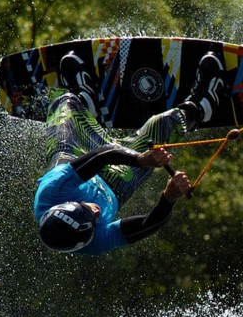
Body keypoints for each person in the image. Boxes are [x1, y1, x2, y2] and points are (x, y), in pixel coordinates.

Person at [33, 50, 225, 255]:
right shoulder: (93, 242)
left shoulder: (52, 191)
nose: (96, 211)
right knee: (160, 124)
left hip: (74, 157)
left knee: (63, 106)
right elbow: (148, 224)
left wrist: (140, 159)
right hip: (116, 184)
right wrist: (169, 197)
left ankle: (84, 98)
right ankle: (202, 105)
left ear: (68, 203)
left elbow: (104, 155)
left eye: (87, 209)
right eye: (95, 220)